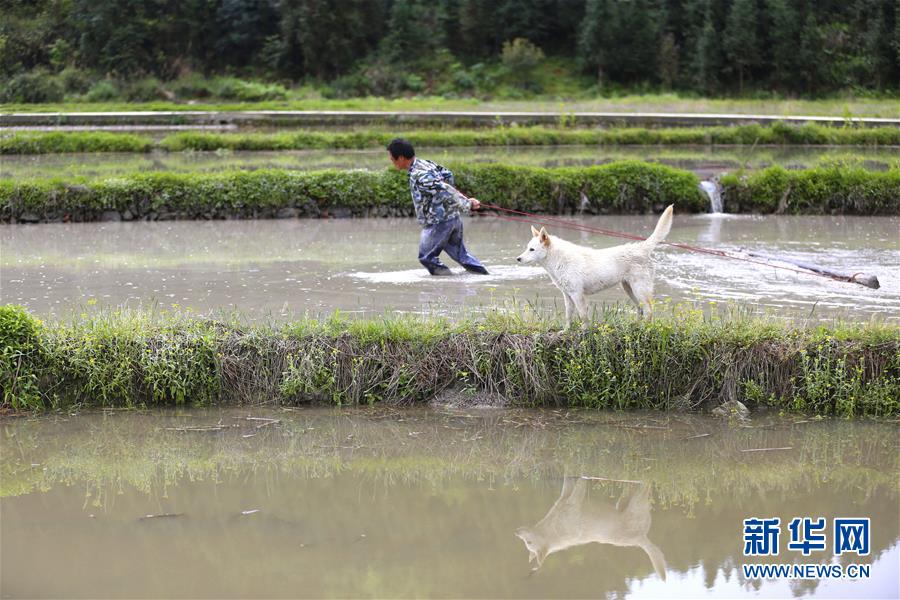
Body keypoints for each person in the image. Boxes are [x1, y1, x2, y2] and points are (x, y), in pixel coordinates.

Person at [387, 138, 489, 276]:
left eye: (392, 159)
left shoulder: (419, 175)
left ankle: (448, 282)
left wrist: (467, 204)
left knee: (426, 257)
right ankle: (484, 276)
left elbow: (444, 189)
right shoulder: (425, 163)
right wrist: (462, 201)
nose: (391, 162)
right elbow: (448, 175)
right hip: (452, 218)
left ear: (401, 158)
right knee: (461, 255)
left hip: (437, 223)